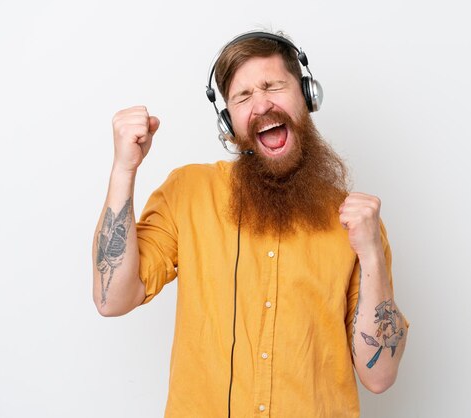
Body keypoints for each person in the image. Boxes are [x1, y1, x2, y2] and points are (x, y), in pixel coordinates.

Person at [92, 30, 408, 418]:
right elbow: (112, 299)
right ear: (229, 120)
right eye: (242, 97)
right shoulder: (188, 192)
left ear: (308, 97)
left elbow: (379, 376)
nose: (261, 105)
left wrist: (372, 254)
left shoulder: (357, 224)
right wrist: (125, 168)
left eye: (274, 85)